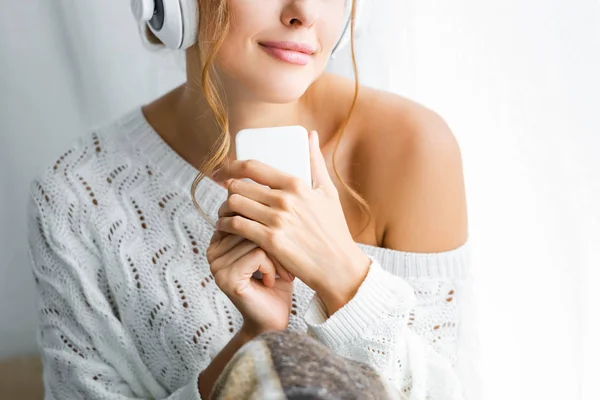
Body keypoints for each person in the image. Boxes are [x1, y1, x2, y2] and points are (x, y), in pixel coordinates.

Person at [26, 0, 477, 399]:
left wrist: (344, 279)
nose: (303, 13)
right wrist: (253, 343)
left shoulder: (410, 149)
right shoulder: (77, 194)